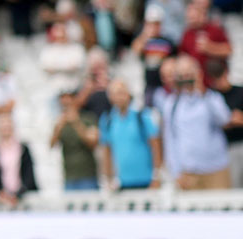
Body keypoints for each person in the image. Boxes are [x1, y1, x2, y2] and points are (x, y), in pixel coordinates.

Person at [164, 56, 231, 190]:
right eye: (182, 76)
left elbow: (224, 119)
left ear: (198, 74)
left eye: (189, 74)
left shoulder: (212, 97)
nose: (187, 79)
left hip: (216, 169)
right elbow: (170, 139)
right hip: (188, 171)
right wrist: (176, 172)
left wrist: (203, 92)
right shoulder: (172, 104)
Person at [100, 79, 162, 191]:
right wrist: (107, 179)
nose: (119, 97)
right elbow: (107, 151)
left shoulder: (142, 116)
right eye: (114, 94)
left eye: (121, 93)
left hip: (146, 181)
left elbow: (155, 145)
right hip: (122, 182)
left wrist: (156, 176)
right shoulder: (108, 120)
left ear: (128, 94)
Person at [179, 0, 232, 88]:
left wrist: (210, 48)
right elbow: (183, 55)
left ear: (202, 15)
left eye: (193, 17)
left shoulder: (215, 29)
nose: (191, 20)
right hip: (197, 85)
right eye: (189, 18)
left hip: (216, 83)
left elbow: (228, 50)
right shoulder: (187, 33)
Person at [51, 91, 101, 191]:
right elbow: (51, 145)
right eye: (63, 105)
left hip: (88, 176)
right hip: (69, 177)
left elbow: (92, 143)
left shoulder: (88, 118)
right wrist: (59, 126)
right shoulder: (60, 123)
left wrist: (76, 122)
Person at [208, 60, 243, 188]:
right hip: (226, 147)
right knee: (235, 185)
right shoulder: (212, 96)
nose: (219, 81)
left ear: (226, 73)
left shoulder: (240, 92)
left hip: (241, 141)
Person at [0, 114, 37, 207]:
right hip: (4, 197)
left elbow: (28, 174)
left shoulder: (23, 148)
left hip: (22, 196)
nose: (6, 129)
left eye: (8, 126)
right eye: (3, 126)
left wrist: (19, 193)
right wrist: (1, 191)